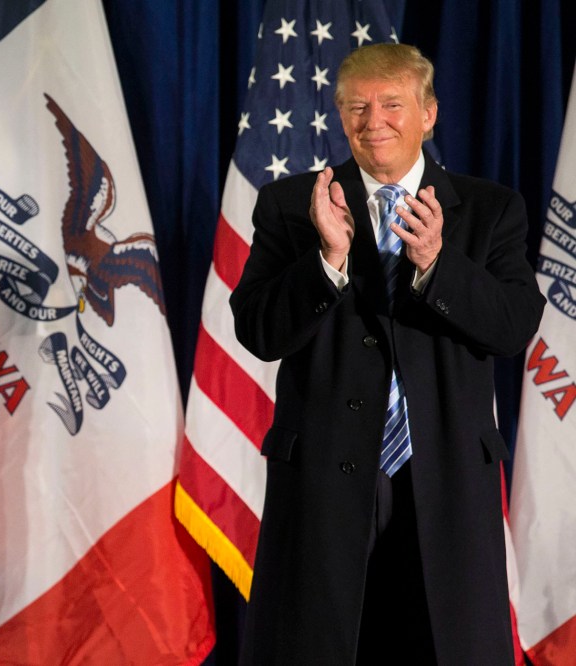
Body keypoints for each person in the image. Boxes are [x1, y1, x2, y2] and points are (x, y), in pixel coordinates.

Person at [230, 44, 545, 664]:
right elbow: (259, 332)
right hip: (323, 485)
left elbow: (511, 328)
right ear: (341, 115)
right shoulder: (292, 206)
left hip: (445, 480)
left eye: (392, 105)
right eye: (357, 107)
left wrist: (438, 265)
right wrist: (326, 261)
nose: (373, 121)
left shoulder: (489, 210)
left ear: (428, 113)